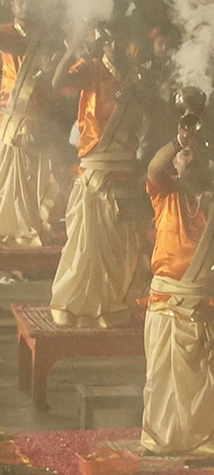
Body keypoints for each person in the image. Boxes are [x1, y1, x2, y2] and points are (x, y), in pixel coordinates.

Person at [49, 29, 149, 327]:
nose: (117, 44)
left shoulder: (137, 77)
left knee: (123, 245)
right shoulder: (91, 66)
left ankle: (113, 305)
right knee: (86, 246)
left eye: (121, 37)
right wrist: (75, 46)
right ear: (105, 40)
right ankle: (76, 303)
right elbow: (57, 82)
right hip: (95, 166)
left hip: (126, 170)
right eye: (111, 38)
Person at [140, 132, 214, 457]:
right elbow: (153, 167)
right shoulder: (165, 193)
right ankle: (161, 440)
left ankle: (201, 440)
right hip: (167, 302)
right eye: (184, 154)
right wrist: (178, 140)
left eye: (195, 153)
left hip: (201, 305)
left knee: (203, 380)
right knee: (162, 379)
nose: (189, 158)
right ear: (175, 162)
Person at [0, 0, 60, 248]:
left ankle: (33, 227)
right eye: (20, 1)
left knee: (35, 179)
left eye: (30, 1)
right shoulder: (4, 34)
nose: (25, 6)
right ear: (12, 5)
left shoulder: (47, 40)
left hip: (38, 117)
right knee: (9, 180)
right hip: (9, 116)